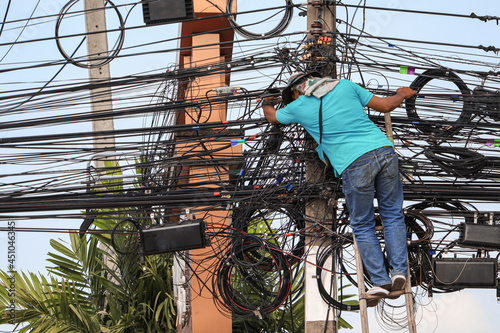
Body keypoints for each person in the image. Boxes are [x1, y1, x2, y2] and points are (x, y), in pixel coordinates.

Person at [262, 72, 417, 299]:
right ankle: (400, 272)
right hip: (385, 152)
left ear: (297, 91)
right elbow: (385, 106)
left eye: (292, 96)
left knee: (362, 225)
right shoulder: (345, 86)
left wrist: (266, 101)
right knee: (393, 215)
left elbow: (272, 118)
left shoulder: (298, 106)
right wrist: (402, 94)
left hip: (354, 163)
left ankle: (381, 280)